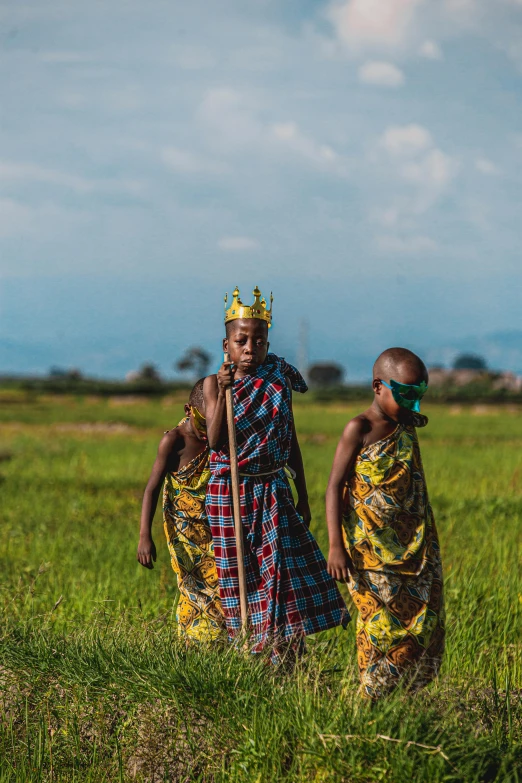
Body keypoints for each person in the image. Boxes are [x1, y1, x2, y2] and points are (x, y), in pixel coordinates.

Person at [204, 286, 349, 661]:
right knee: (243, 578)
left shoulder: (277, 380)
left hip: (273, 487)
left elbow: (290, 436)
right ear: (226, 344)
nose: (251, 349)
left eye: (260, 341)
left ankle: (287, 653)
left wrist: (301, 491)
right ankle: (251, 655)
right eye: (242, 341)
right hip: (230, 493)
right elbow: (216, 441)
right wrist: (223, 392)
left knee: (281, 572)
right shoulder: (214, 383)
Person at [326, 347, 445, 698]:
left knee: (420, 626)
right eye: (406, 395)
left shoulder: (407, 425)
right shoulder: (359, 428)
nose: (414, 405)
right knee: (380, 628)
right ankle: (371, 702)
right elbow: (334, 487)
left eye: (419, 395)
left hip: (416, 550)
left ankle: (403, 702)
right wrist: (335, 546)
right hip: (369, 551)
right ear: (378, 386)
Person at [137, 379, 225, 642]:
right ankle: (193, 645)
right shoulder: (173, 441)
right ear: (189, 410)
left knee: (222, 586)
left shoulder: (221, 437)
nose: (210, 430)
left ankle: (219, 648)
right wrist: (144, 536)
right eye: (204, 422)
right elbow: (151, 489)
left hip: (218, 525)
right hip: (184, 530)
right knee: (194, 587)